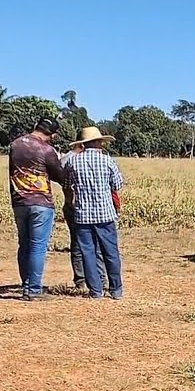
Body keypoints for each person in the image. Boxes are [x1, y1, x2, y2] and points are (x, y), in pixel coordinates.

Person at [61, 126, 125, 299]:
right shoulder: (107, 160)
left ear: (83, 144)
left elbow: (67, 185)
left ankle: (95, 290)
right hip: (105, 214)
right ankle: (116, 289)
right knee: (110, 252)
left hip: (83, 214)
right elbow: (117, 184)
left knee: (87, 253)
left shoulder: (73, 162)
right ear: (98, 143)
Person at [8, 116, 65, 301]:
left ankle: (26, 284)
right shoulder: (46, 149)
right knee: (38, 247)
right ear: (52, 135)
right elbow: (59, 175)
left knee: (24, 245)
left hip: (19, 201)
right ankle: (33, 290)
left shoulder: (16, 144)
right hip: (41, 202)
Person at [58, 148, 106, 291]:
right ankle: (99, 280)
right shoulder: (91, 159)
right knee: (95, 244)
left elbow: (64, 184)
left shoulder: (66, 159)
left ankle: (81, 280)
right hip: (91, 207)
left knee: (77, 243)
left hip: (73, 206)